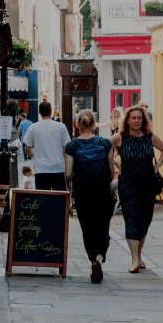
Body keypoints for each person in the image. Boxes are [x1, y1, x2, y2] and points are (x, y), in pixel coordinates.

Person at [112, 105, 163, 273]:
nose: (136, 121)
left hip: (147, 183)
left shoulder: (149, 137)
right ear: (127, 120)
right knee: (131, 218)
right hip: (128, 183)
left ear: (143, 120)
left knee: (145, 219)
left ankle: (138, 254)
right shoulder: (121, 137)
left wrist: (157, 165)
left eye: (139, 118)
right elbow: (104, 146)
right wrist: (116, 163)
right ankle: (135, 259)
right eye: (133, 118)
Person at [65, 109, 116, 284]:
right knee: (102, 228)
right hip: (102, 191)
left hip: (83, 193)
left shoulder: (72, 146)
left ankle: (93, 258)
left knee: (88, 229)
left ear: (77, 124)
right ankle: (99, 259)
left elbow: (68, 173)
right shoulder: (105, 143)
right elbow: (111, 172)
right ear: (94, 124)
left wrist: (80, 179)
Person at [23, 101, 72, 190]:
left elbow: (27, 149)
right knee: (60, 200)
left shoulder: (33, 128)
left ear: (39, 112)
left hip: (41, 169)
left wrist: (35, 155)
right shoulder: (61, 127)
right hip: (57, 168)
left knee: (42, 200)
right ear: (51, 111)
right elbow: (66, 149)